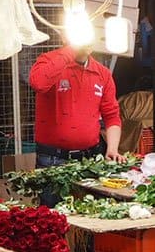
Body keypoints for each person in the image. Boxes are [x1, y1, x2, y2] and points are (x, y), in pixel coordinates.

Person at [29, 43, 124, 206]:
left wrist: (113, 149)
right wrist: (70, 51)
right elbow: (38, 83)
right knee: (52, 217)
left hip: (90, 160)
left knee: (89, 211)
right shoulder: (48, 60)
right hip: (53, 159)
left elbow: (112, 116)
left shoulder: (102, 73)